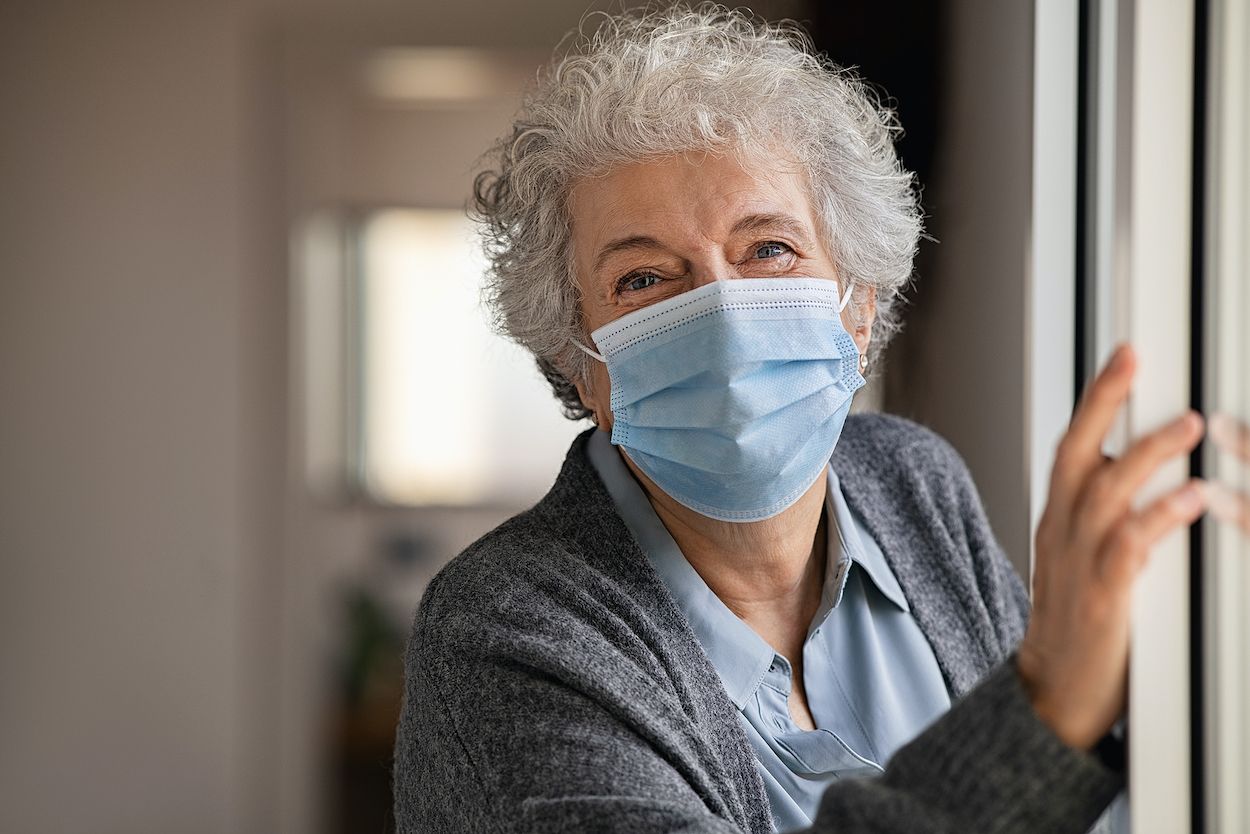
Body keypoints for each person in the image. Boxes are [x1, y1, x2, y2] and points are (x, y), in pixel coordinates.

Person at [392, 5, 1209, 832]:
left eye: (769, 250)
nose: (723, 314)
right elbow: (1051, 734)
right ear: (581, 364)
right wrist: (1044, 712)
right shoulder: (507, 632)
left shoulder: (915, 485)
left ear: (859, 305)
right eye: (644, 279)